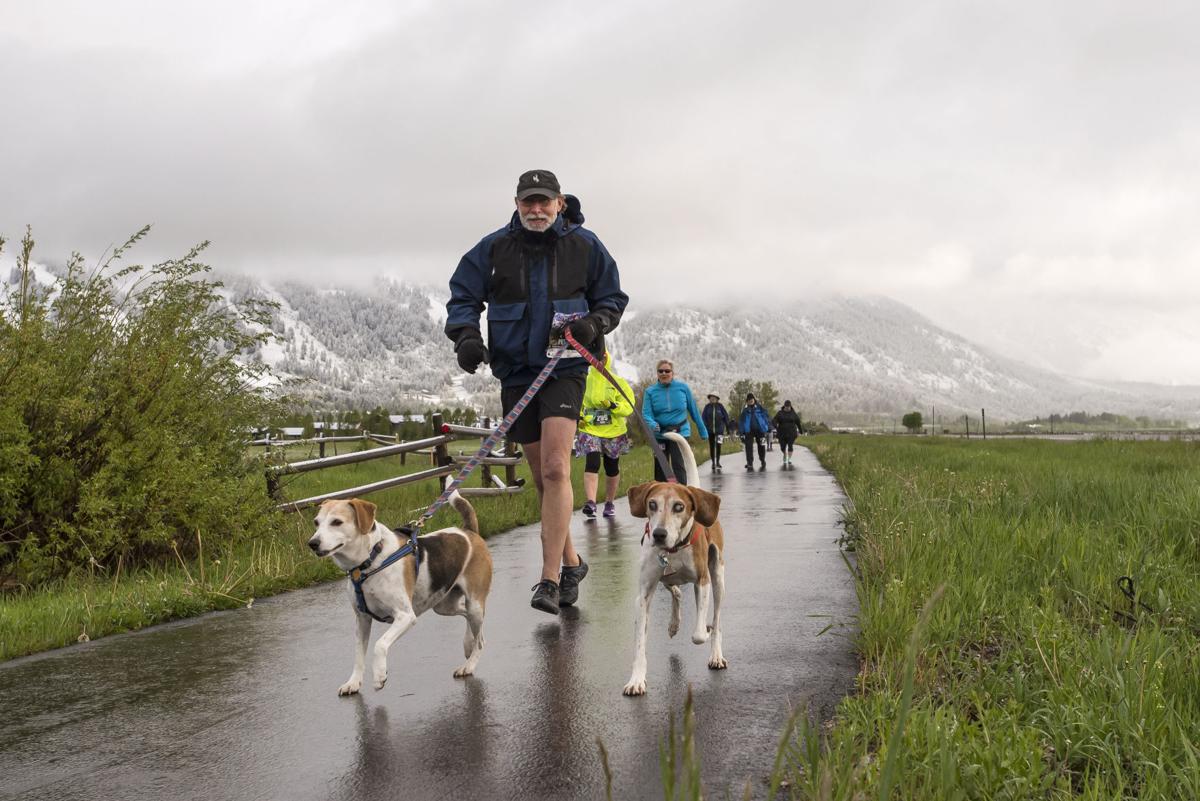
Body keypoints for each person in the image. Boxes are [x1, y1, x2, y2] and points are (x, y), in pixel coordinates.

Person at [445, 169, 628, 616]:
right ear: (517, 203)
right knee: (544, 477)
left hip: (566, 368)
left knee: (553, 467)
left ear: (560, 203)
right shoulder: (492, 249)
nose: (536, 209)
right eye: (528, 202)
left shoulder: (585, 246)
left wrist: (593, 324)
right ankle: (571, 562)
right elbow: (462, 297)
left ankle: (548, 580)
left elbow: (613, 299)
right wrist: (466, 335)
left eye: (544, 201)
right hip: (515, 373)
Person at [573, 347, 635, 519]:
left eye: (601, 358)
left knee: (611, 467)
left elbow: (629, 405)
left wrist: (614, 406)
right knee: (592, 462)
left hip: (613, 431)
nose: (598, 361)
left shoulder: (617, 381)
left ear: (607, 359)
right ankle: (591, 503)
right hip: (590, 429)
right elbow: (576, 401)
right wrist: (579, 416)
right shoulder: (584, 380)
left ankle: (609, 502)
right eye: (595, 358)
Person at [641, 359, 709, 484]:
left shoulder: (683, 388)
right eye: (660, 371)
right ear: (657, 373)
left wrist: (702, 430)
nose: (664, 373)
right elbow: (646, 414)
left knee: (679, 465)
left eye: (667, 371)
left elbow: (693, 410)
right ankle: (661, 496)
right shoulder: (650, 391)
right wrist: (652, 424)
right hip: (660, 434)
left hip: (680, 432)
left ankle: (682, 493)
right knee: (661, 468)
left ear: (673, 373)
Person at [739, 393, 771, 470]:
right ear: (747, 401)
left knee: (762, 446)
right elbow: (741, 422)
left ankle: (762, 460)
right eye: (749, 400)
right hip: (748, 431)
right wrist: (741, 433)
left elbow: (767, 417)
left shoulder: (760, 408)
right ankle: (750, 463)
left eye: (752, 400)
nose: (750, 401)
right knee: (748, 447)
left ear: (754, 400)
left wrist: (769, 427)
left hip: (760, 431)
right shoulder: (745, 411)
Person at [701, 393, 730, 471]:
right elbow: (703, 418)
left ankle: (718, 462)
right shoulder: (707, 407)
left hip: (720, 431)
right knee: (712, 446)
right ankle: (713, 462)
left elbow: (726, 417)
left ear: (717, 399)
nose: (712, 399)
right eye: (711, 397)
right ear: (709, 399)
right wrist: (705, 427)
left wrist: (728, 428)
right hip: (710, 431)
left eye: (714, 397)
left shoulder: (720, 407)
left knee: (718, 446)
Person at [772, 399, 802, 466]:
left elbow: (798, 422)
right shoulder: (780, 413)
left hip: (792, 433)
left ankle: (789, 459)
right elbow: (774, 420)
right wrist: (775, 424)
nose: (788, 408)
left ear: (790, 406)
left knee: (790, 445)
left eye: (789, 407)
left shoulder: (793, 413)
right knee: (782, 446)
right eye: (786, 407)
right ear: (784, 406)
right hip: (781, 433)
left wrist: (800, 431)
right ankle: (785, 454)